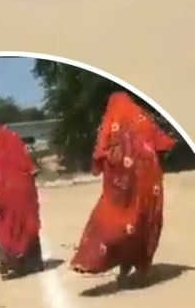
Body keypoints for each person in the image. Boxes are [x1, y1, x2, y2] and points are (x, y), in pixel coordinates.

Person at [70, 92, 174, 284]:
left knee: (115, 219)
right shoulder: (141, 116)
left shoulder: (112, 119)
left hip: (122, 184)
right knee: (144, 219)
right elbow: (161, 144)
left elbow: (101, 152)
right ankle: (141, 265)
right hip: (149, 181)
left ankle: (105, 260)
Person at [0, 125, 44, 280]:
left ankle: (8, 261)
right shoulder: (21, 154)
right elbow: (33, 172)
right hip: (24, 198)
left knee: (5, 228)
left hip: (5, 198)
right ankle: (32, 261)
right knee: (27, 226)